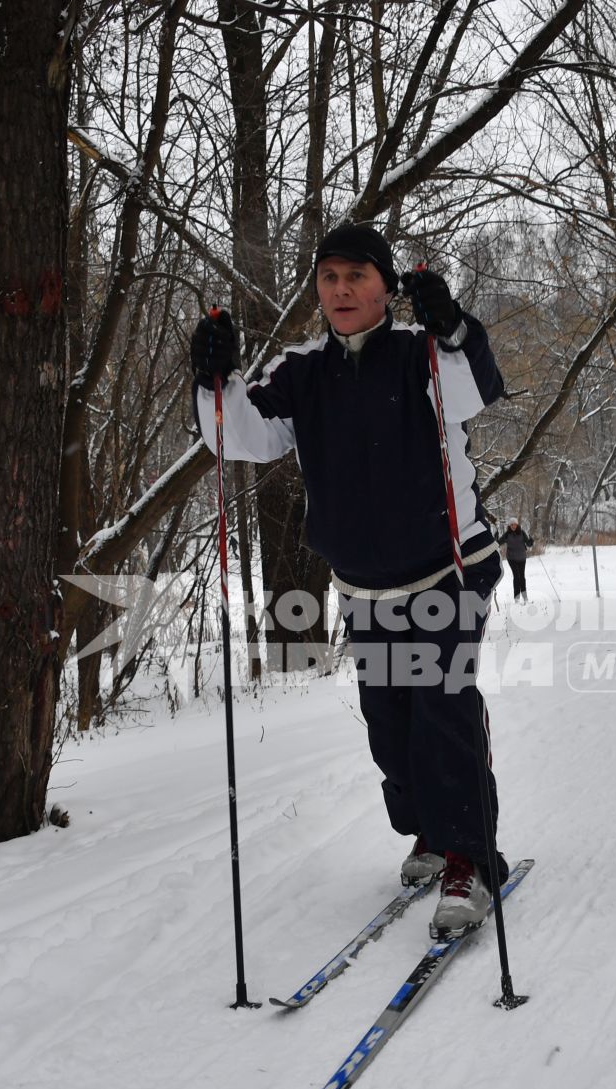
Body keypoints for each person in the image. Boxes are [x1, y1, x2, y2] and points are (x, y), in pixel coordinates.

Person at [189, 224, 508, 936]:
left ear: (386, 288)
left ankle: (470, 857)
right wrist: (211, 377)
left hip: (446, 571)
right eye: (329, 278)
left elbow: (476, 390)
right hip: (364, 585)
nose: (341, 291)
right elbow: (239, 434)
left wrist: (452, 325)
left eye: (356, 277)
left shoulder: (422, 355)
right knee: (390, 728)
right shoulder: (303, 371)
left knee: (441, 708)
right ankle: (428, 830)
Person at [498, 517, 532, 600]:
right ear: (509, 526)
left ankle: (525, 597)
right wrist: (496, 536)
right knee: (516, 577)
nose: (513, 526)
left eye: (515, 524)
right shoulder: (507, 534)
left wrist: (531, 540)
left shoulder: (522, 533)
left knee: (522, 577)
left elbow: (528, 544)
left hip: (522, 558)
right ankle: (516, 598)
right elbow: (498, 542)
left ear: (517, 525)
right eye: (511, 525)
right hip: (512, 558)